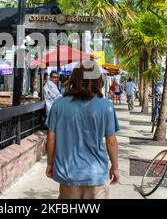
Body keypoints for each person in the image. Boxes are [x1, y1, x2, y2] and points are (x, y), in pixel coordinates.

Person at [45, 62, 120, 199]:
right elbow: (111, 141)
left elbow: (51, 137)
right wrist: (115, 167)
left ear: (74, 79)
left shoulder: (58, 105)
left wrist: (50, 163)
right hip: (96, 175)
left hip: (68, 174)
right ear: (98, 80)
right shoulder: (106, 106)